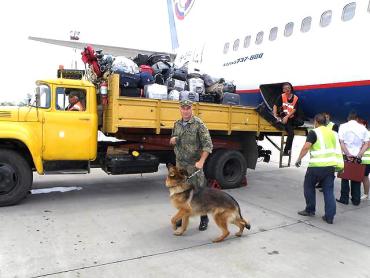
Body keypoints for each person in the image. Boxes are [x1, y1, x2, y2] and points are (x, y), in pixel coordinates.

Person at [169, 99, 213, 231]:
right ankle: (182, 217)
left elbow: (208, 145)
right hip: (180, 166)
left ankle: (204, 218)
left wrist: (201, 162)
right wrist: (172, 140)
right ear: (180, 109)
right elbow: (173, 140)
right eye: (183, 108)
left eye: (188, 108)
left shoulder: (199, 124)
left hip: (194, 166)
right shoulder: (177, 124)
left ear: (192, 109)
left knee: (199, 193)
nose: (185, 110)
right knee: (182, 194)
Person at [295, 113, 343, 224]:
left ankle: (310, 210)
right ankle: (329, 217)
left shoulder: (314, 132)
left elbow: (306, 147)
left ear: (316, 121)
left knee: (308, 186)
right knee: (328, 191)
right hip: (330, 167)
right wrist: (340, 166)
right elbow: (337, 150)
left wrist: (299, 159)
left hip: (316, 167)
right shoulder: (333, 134)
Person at [336, 112, 369, 206]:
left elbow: (341, 142)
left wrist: (347, 153)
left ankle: (344, 199)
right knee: (356, 178)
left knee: (345, 178)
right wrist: (359, 155)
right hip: (357, 157)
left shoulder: (343, 126)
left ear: (348, 118)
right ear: (357, 119)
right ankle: (356, 200)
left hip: (346, 156)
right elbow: (366, 144)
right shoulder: (363, 128)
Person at [273, 82, 304, 155]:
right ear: (283, 90)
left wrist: (287, 116)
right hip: (284, 117)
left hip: (290, 117)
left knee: (301, 122)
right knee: (291, 133)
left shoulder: (295, 97)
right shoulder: (281, 96)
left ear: (291, 89)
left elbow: (294, 109)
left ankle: (289, 125)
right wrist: (275, 116)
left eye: (289, 88)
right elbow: (275, 106)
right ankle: (286, 150)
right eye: (285, 88)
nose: (287, 89)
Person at [316, 112, 339, 191]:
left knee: (329, 171)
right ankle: (321, 184)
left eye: (327, 117)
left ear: (330, 118)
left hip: (330, 151)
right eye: (324, 117)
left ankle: (326, 186)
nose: (326, 119)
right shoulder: (321, 126)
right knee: (321, 168)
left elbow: (335, 138)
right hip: (322, 150)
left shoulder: (334, 125)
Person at [357, 118, 370, 200]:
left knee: (364, 177)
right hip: (362, 160)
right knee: (360, 177)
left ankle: (366, 194)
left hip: (366, 160)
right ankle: (362, 194)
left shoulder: (367, 134)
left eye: (361, 124)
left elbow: (367, 145)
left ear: (365, 125)